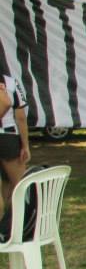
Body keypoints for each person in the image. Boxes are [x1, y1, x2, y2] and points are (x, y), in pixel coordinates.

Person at [0, 74, 30, 214]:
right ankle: (20, 221)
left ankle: (5, 222)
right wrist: (25, 146)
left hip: (8, 136)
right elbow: (21, 117)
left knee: (7, 184)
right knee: (20, 186)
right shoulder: (11, 82)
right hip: (9, 137)